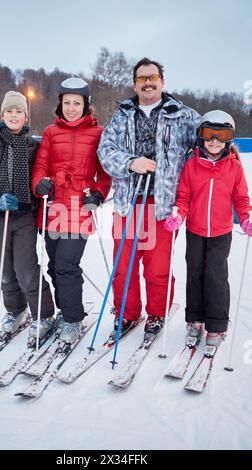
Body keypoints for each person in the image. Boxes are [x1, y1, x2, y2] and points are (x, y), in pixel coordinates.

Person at [98, 57, 201, 338]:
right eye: (142, 78)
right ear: (135, 84)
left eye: (152, 77)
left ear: (162, 81)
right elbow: (104, 151)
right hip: (128, 201)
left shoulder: (183, 115)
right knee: (125, 264)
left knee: (157, 266)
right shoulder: (122, 115)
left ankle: (157, 312)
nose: (147, 83)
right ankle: (127, 312)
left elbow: (207, 144)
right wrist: (131, 162)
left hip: (164, 205)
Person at [32, 78, 111, 343]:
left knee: (67, 264)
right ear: (60, 104)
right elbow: (40, 167)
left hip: (79, 205)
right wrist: (40, 183)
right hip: (53, 206)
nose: (72, 108)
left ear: (86, 105)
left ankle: (73, 319)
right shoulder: (51, 133)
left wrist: (99, 194)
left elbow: (104, 174)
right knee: (55, 266)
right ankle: (65, 310)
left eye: (77, 103)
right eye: (67, 103)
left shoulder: (98, 134)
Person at [164, 110, 252, 347]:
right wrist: (178, 215)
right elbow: (183, 196)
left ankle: (216, 324)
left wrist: (245, 218)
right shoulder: (192, 165)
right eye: (209, 134)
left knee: (216, 277)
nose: (214, 140)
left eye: (221, 135)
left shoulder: (233, 168)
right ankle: (195, 320)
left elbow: (241, 198)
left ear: (228, 139)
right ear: (201, 136)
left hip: (221, 233)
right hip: (195, 230)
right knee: (194, 274)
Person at [0, 91, 55, 338]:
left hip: (24, 216)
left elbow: (43, 173)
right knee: (5, 268)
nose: (14, 115)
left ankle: (43, 314)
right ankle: (15, 309)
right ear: (2, 115)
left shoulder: (34, 144)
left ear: (25, 115)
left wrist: (43, 187)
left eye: (18, 111)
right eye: (9, 111)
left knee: (25, 268)